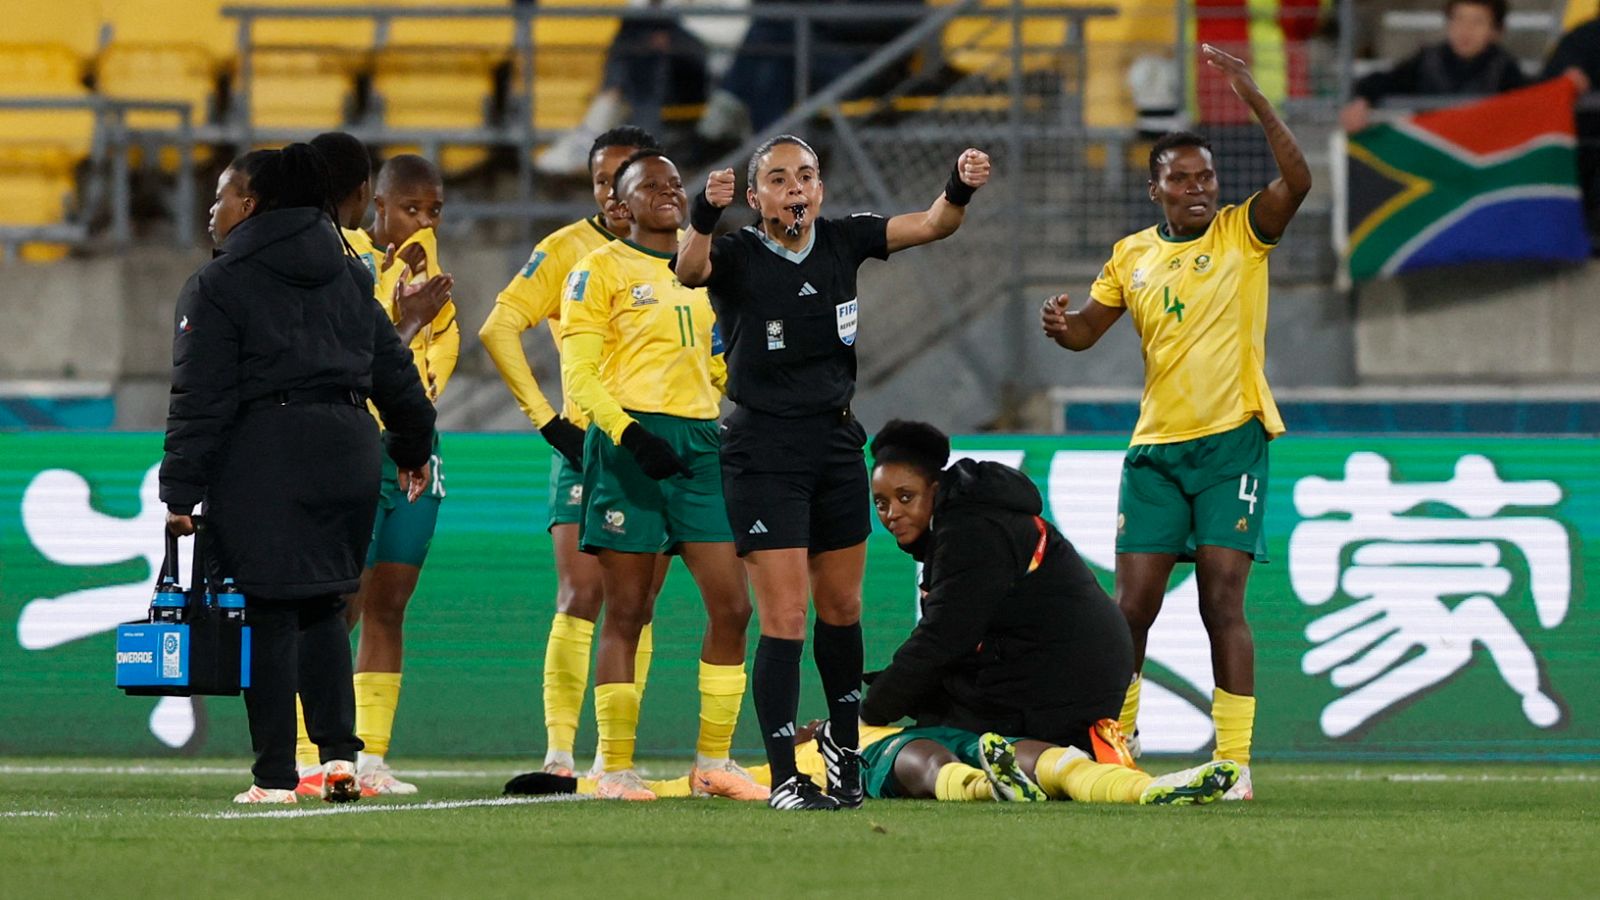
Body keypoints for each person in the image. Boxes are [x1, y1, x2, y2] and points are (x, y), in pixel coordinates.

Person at [673, 134, 990, 811]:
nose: (796, 188)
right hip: (763, 451)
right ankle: (786, 777)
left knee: (842, 610)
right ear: (756, 198)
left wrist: (960, 184)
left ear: (820, 189)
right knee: (783, 617)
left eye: (807, 175)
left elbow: (936, 222)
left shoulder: (846, 241)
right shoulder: (735, 253)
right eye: (780, 178)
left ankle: (845, 755)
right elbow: (687, 270)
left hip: (837, 444)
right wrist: (704, 211)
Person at [1041, 45, 1312, 802]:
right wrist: (1061, 324)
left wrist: (1256, 100)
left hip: (1232, 441)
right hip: (1156, 452)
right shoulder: (1130, 256)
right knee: (1132, 607)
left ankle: (1234, 764)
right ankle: (1119, 744)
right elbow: (1088, 332)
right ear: (1155, 188)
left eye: (1206, 178)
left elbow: (1300, 180)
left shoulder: (1243, 234)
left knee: (1221, 598)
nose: (1197, 190)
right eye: (1181, 179)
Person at [160, 144, 436, 804]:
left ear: (250, 205)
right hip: (347, 451)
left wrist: (180, 492)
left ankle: (275, 777)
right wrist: (409, 448)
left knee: (268, 612)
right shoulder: (346, 274)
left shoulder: (218, 284)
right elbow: (395, 374)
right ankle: (341, 759)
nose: (212, 209)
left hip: (266, 450)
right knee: (325, 602)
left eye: (222, 195)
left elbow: (199, 397)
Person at [559, 149, 762, 802]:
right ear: (619, 205)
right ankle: (613, 767)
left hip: (702, 445)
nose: (670, 192)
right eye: (651, 185)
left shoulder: (708, 268)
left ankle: (713, 762)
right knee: (630, 610)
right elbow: (579, 376)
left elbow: (719, 364)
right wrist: (630, 436)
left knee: (733, 605)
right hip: (629, 446)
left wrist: (759, 402)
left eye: (676, 182)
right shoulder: (598, 271)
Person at [479, 126, 668, 778]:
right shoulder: (567, 249)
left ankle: (615, 758)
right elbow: (499, 326)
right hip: (590, 443)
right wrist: (546, 421)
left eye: (622, 178)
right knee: (581, 592)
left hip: (655, 446)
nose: (609, 193)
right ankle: (560, 754)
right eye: (598, 180)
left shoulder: (681, 251)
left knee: (638, 606)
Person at [287, 135, 453, 798]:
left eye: (436, 210)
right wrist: (403, 322)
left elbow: (439, 364)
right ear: (374, 206)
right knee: (336, 603)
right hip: (348, 447)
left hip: (413, 454)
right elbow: (350, 347)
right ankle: (310, 755)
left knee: (389, 603)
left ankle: (371, 758)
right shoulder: (340, 256)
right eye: (411, 209)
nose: (425, 223)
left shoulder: (435, 281)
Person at [859, 420, 1138, 755]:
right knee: (936, 717)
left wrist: (868, 716)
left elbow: (943, 638)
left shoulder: (971, 531)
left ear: (935, 488)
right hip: (1071, 670)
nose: (893, 514)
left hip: (1068, 680)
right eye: (881, 503)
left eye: (906, 497)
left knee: (938, 743)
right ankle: (1087, 749)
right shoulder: (970, 519)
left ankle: (1077, 754)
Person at [508, 719, 1238, 805]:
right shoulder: (774, 750)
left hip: (892, 739)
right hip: (905, 735)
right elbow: (707, 776)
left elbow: (708, 776)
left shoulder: (778, 750)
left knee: (924, 765)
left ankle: (989, 789)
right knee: (1045, 757)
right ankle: (1142, 794)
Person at [535, 5, 708, 176]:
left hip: (694, 71)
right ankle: (612, 118)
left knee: (640, 46)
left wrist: (665, 36)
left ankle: (600, 121)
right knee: (637, 39)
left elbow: (704, 41)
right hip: (654, 78)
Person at [1340, 0, 1527, 132]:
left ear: (1497, 31)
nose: (1465, 30)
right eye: (1458, 19)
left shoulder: (1506, 70)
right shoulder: (1427, 61)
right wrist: (1362, 100)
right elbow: (1387, 80)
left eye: (1477, 22)